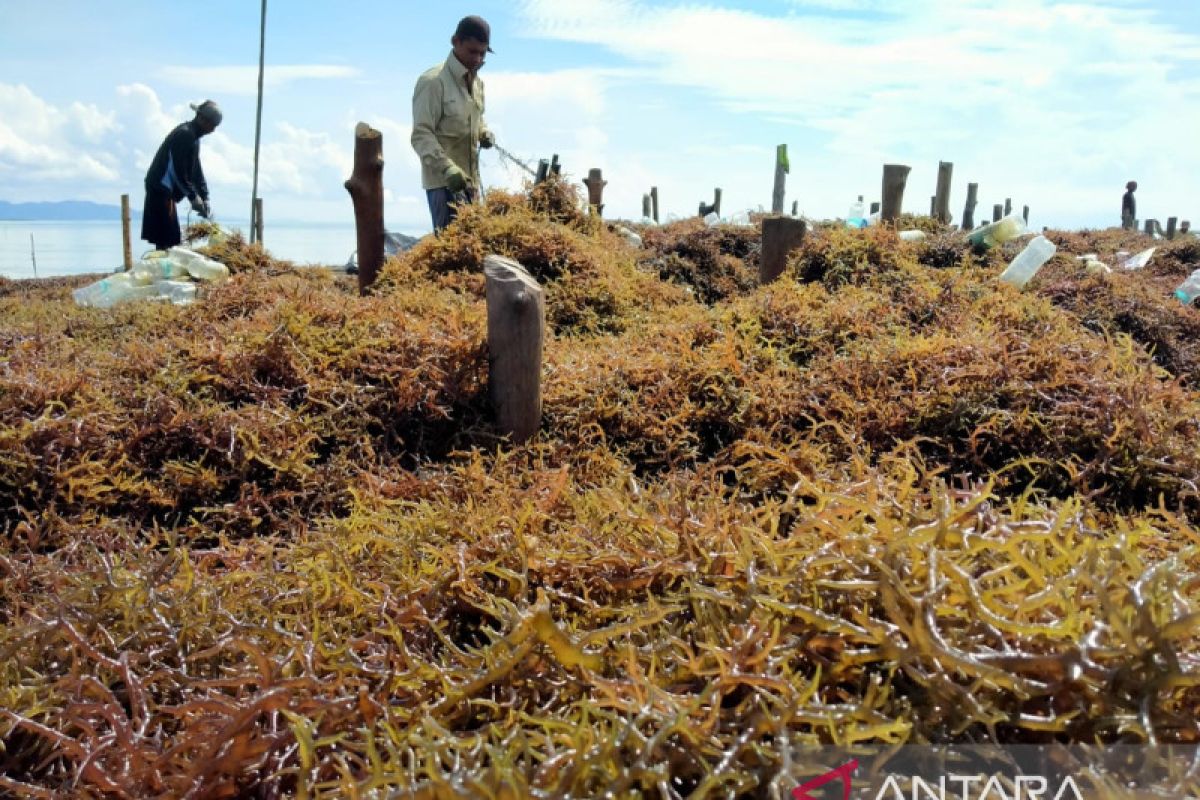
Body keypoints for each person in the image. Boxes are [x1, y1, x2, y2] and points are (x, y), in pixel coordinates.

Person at [411, 15, 495, 232]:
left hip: (471, 184)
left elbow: (477, 118)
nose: (477, 59)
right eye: (472, 51)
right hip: (443, 185)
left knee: (473, 249)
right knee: (451, 253)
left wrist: (483, 132)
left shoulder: (478, 84)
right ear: (455, 41)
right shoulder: (433, 82)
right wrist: (447, 168)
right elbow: (421, 135)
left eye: (482, 53)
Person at [141, 100, 221, 251]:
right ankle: (162, 268)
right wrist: (192, 196)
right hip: (160, 187)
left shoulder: (194, 137)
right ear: (202, 119)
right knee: (166, 237)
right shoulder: (185, 134)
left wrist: (204, 196)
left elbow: (196, 169)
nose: (213, 130)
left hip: (166, 190)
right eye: (212, 125)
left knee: (169, 236)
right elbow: (178, 171)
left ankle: (164, 265)